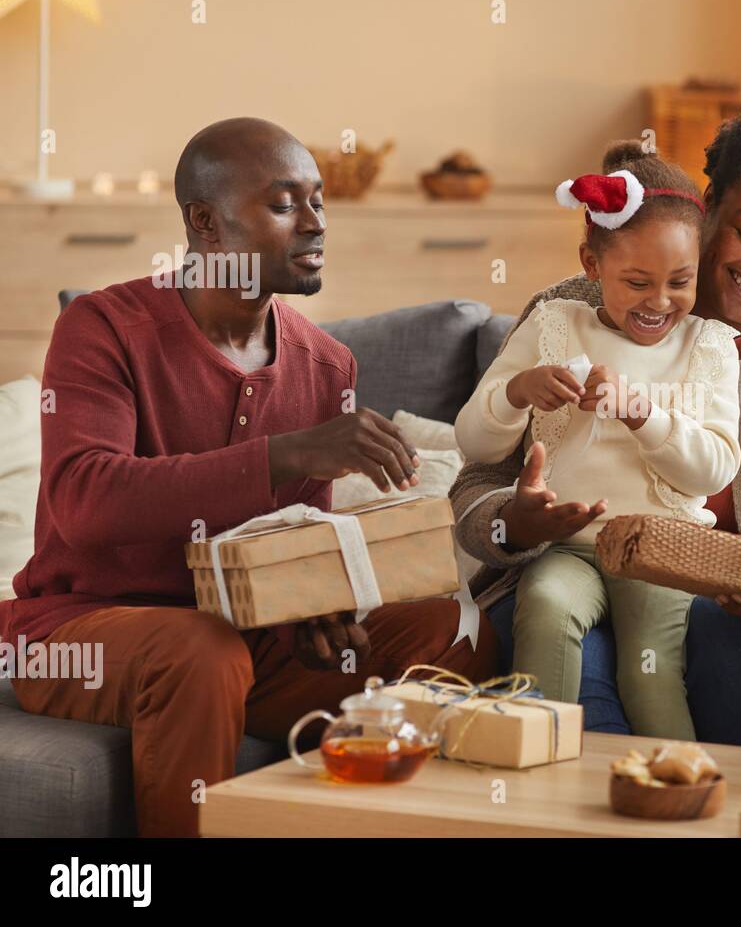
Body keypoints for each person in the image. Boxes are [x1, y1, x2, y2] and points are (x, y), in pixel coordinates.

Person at [0, 118, 497, 837]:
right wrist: (290, 454)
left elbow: (289, 542)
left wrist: (314, 610)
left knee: (458, 627)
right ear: (205, 223)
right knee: (200, 652)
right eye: (285, 203)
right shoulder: (102, 328)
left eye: (319, 201)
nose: (316, 223)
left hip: (242, 639)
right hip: (79, 633)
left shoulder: (328, 366)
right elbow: (86, 502)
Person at [451, 103, 741, 750]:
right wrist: (513, 521)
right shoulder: (569, 315)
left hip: (733, 610)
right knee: (580, 686)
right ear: (709, 209)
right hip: (567, 571)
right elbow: (481, 471)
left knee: (735, 647)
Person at [455, 144, 740, 740]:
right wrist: (518, 392)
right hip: (566, 548)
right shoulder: (555, 325)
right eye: (636, 282)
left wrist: (644, 416)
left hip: (659, 549)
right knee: (545, 609)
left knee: (651, 674)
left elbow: (713, 470)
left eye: (679, 282)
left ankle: (675, 790)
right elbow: (474, 443)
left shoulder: (708, 346)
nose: (659, 301)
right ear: (591, 263)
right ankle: (536, 776)